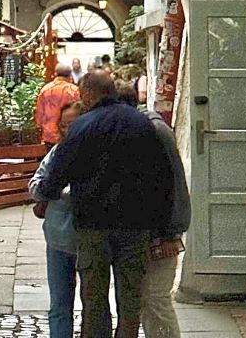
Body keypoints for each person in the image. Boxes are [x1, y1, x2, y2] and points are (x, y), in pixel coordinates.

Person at [38, 69, 175, 338]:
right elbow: (162, 177)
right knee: (130, 299)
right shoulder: (141, 124)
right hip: (135, 226)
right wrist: (162, 226)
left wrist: (45, 193)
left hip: (93, 226)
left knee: (94, 298)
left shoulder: (82, 126)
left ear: (90, 94)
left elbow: (59, 170)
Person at [28, 101, 83, 338]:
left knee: (93, 302)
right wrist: (50, 191)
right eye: (63, 125)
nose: (67, 130)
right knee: (60, 303)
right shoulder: (57, 151)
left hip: (89, 237)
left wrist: (54, 191)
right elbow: (35, 184)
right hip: (59, 236)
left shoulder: (95, 150)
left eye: (72, 124)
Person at [140, 109, 191, 338]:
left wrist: (169, 234)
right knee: (150, 298)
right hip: (160, 230)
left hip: (161, 233)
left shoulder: (154, 132)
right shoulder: (155, 129)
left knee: (155, 297)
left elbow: (170, 188)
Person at [35, 62, 80, 148]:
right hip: (69, 135)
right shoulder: (74, 90)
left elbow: (39, 115)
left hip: (49, 136)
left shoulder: (45, 90)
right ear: (70, 75)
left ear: (55, 73)